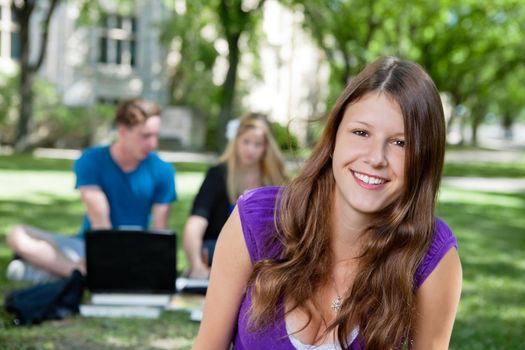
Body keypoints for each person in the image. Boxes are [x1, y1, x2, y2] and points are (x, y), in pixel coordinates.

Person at [193, 57, 462, 349]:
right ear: (334, 138)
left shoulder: (432, 255)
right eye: (361, 133)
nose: (376, 158)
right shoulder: (257, 221)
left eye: (401, 143)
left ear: (424, 158)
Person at [6, 98, 176, 283]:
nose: (153, 144)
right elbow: (99, 220)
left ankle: (65, 273)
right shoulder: (92, 160)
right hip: (90, 245)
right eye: (145, 136)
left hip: (135, 249)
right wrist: (101, 261)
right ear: (122, 131)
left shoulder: (163, 170)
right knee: (17, 234)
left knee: (22, 268)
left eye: (155, 136)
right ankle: (80, 272)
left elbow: (160, 232)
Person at [183, 113, 288, 279]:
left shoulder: (276, 180)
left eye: (258, 144)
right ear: (236, 141)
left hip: (261, 266)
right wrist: (196, 265)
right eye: (246, 142)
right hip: (217, 260)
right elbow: (196, 222)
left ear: (267, 147)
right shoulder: (218, 174)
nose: (250, 149)